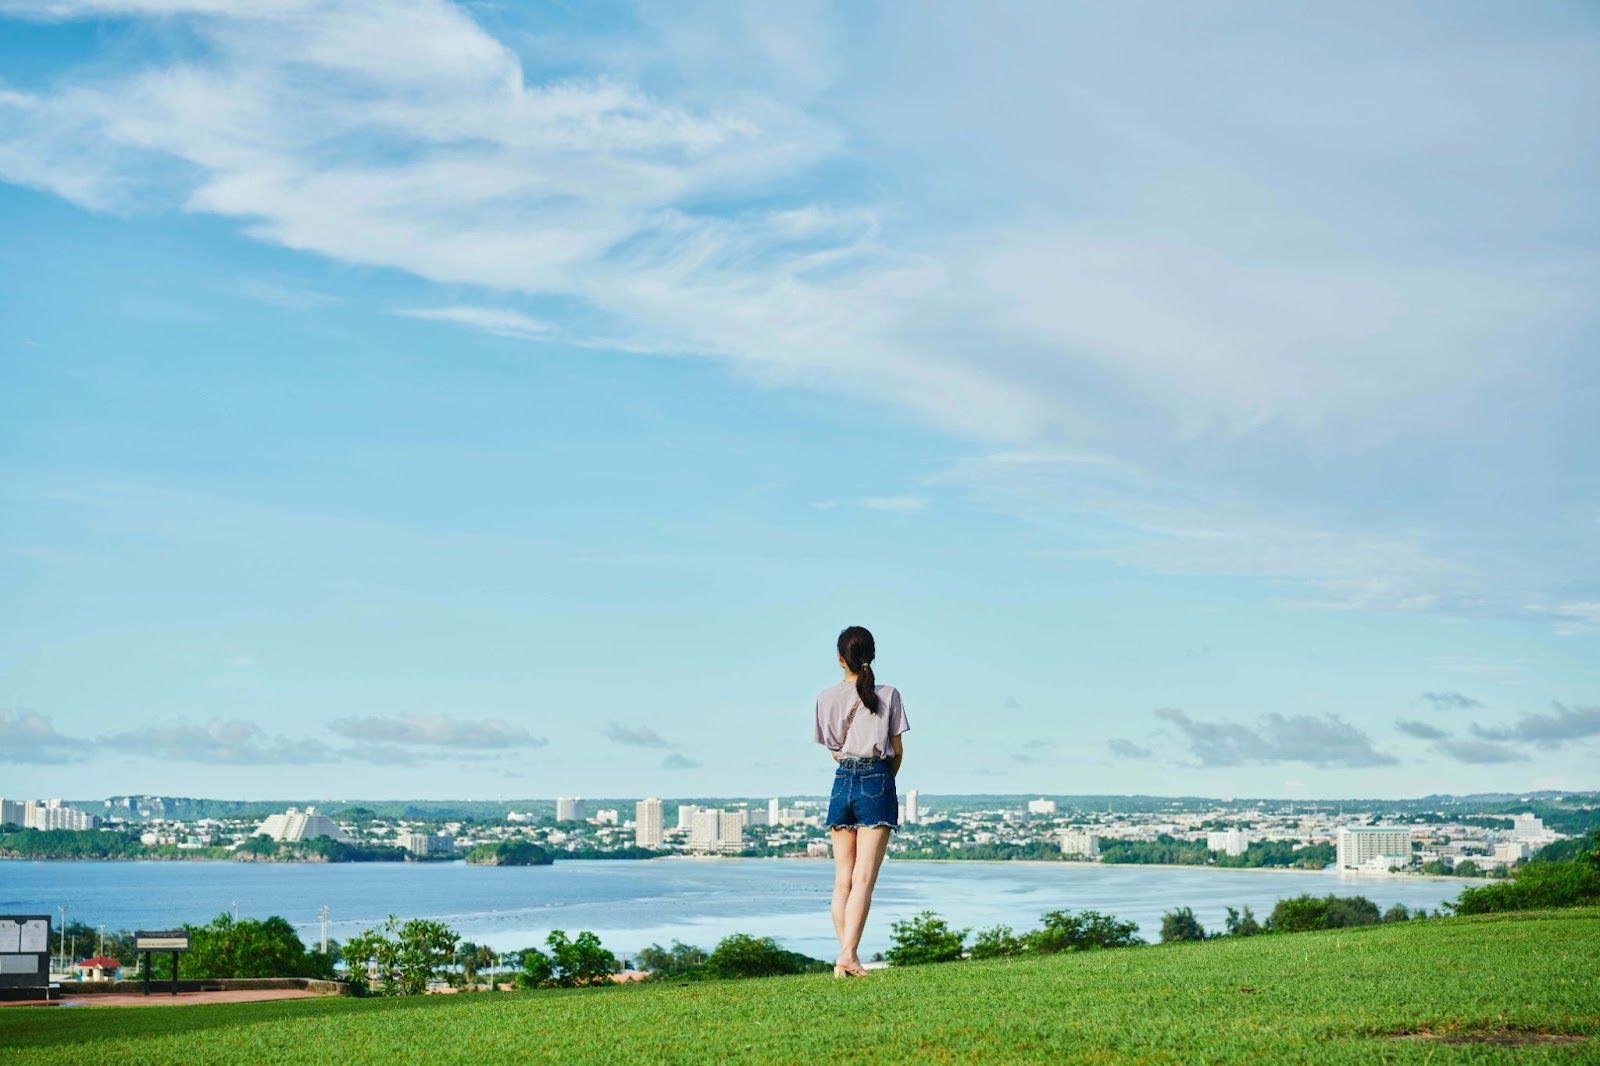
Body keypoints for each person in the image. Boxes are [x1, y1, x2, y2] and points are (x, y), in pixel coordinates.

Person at [815, 625, 909, 978]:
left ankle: (846, 955)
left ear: (840, 658)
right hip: (877, 779)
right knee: (864, 878)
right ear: (871, 655)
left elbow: (834, 753)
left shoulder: (825, 697)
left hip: (841, 783)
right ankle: (848, 956)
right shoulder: (890, 694)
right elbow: (897, 753)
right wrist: (883, 781)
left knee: (843, 880)